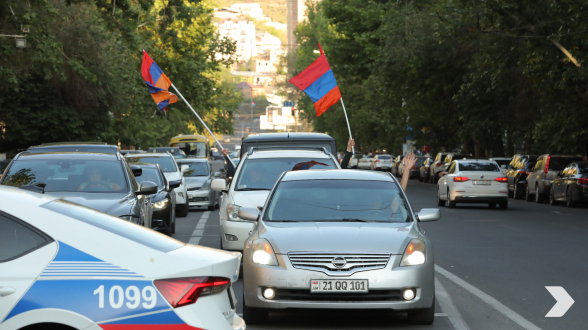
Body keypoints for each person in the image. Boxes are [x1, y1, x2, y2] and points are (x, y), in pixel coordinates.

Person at [340, 138, 416, 191]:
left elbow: (400, 194)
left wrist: (406, 170)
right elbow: (340, 175)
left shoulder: (388, 209)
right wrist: (349, 149)